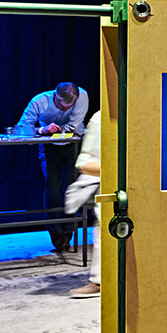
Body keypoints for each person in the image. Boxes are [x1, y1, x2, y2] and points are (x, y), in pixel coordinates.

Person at [18, 82, 89, 251]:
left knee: (71, 188)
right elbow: (22, 128)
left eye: (69, 107)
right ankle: (55, 232)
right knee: (52, 188)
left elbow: (73, 127)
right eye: (61, 106)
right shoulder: (39, 101)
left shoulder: (82, 96)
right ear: (55, 96)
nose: (65, 110)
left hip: (73, 145)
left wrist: (60, 131)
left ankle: (68, 232)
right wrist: (42, 130)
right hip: (49, 146)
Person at [67, 110, 102, 298]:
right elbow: (85, 164)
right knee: (106, 228)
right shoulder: (100, 119)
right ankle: (99, 280)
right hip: (112, 184)